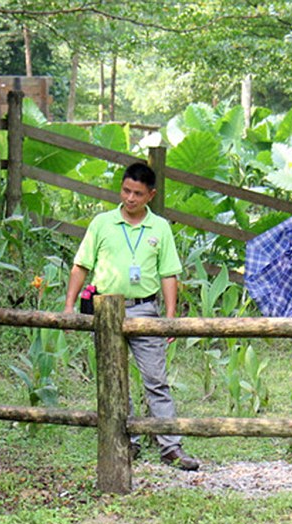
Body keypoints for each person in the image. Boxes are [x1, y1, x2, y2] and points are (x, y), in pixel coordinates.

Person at [63, 161, 199, 471]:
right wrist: (69, 306)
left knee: (156, 379)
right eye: (126, 190)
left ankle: (170, 445)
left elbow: (168, 274)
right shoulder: (102, 223)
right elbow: (81, 265)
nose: (130, 198)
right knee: (114, 379)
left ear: (151, 195)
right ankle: (125, 443)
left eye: (138, 193)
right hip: (107, 310)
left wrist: (169, 314)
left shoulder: (160, 228)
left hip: (144, 309)